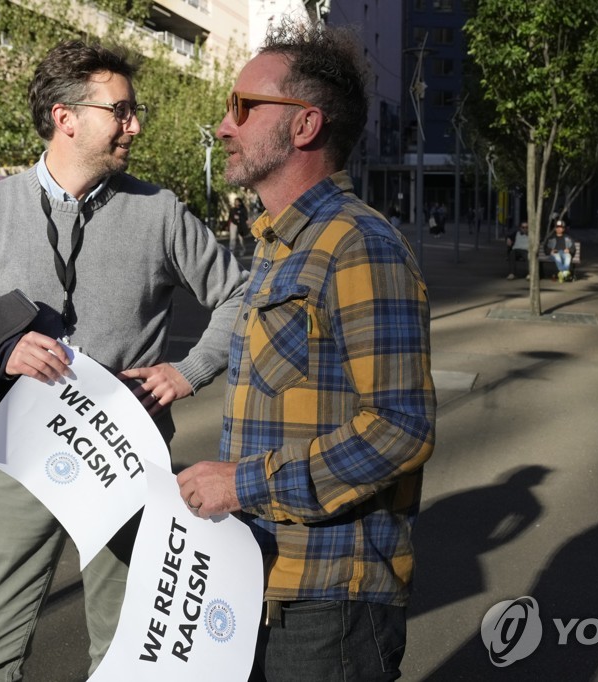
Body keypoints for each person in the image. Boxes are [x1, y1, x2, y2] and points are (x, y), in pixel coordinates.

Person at [0, 39, 248, 680]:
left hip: (128, 462)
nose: (135, 124)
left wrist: (189, 370)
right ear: (67, 117)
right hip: (16, 459)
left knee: (124, 654)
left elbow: (241, 295)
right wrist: (2, 350)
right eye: (120, 110)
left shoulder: (160, 212)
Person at [176, 21, 436, 681]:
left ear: (304, 126)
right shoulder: (277, 246)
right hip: (264, 578)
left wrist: (242, 483)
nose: (224, 125)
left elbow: (400, 430)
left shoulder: (358, 244)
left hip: (330, 603)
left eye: (243, 107)